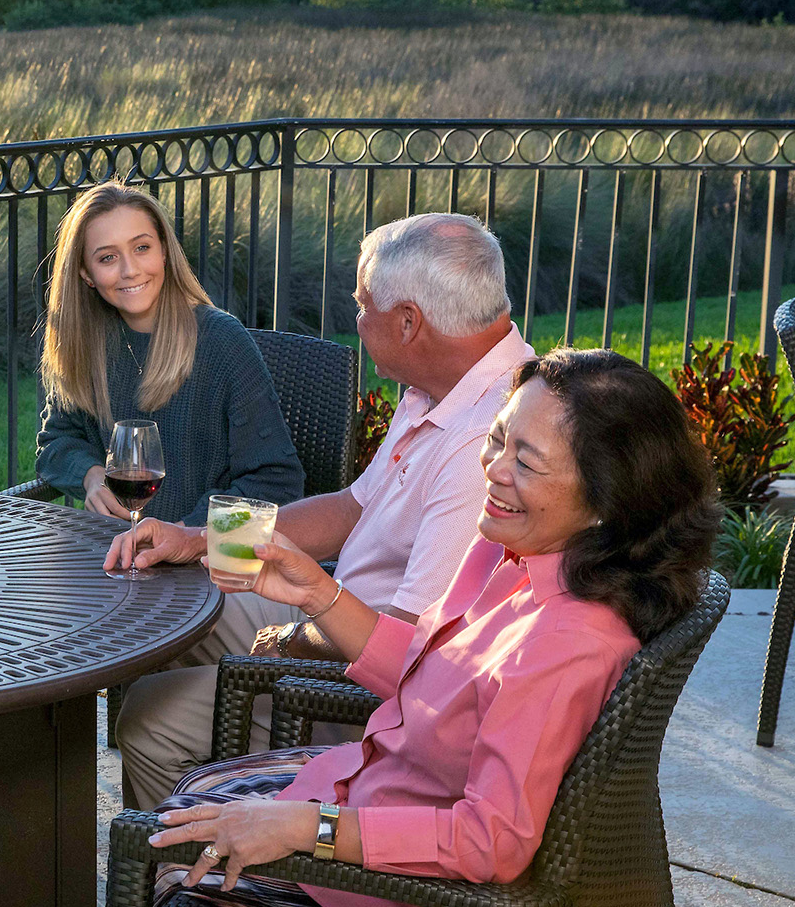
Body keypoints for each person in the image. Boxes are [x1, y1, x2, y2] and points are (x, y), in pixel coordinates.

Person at [142, 349, 720, 907]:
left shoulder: (567, 644)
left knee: (174, 864)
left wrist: (306, 828)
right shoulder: (516, 552)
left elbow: (490, 843)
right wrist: (316, 594)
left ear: (606, 504)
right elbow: (439, 679)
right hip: (383, 789)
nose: (494, 471)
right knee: (186, 814)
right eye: (498, 440)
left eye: (524, 461)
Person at [109, 212, 535, 809]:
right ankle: (230, 792)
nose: (355, 321)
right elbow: (351, 508)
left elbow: (410, 650)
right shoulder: (438, 388)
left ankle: (182, 888)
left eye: (363, 307)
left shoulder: (484, 443)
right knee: (172, 596)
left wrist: (291, 638)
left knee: (147, 723)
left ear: (409, 322)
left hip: (364, 687)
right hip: (334, 611)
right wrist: (197, 539)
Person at [35, 182, 303, 526]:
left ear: (164, 250)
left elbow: (276, 480)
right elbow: (57, 440)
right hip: (113, 553)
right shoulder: (88, 342)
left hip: (203, 564)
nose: (129, 269)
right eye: (107, 258)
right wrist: (90, 475)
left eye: (141, 247)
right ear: (86, 274)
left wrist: (186, 535)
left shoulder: (222, 341)